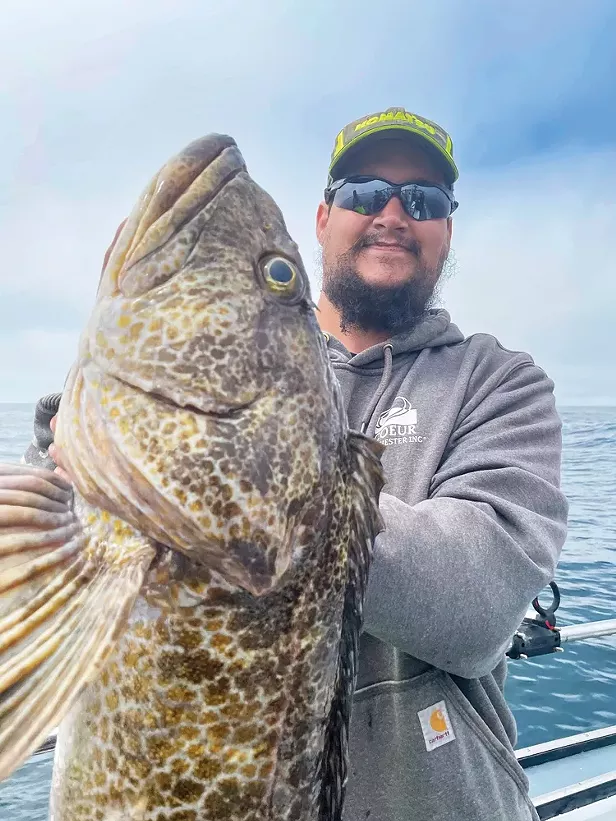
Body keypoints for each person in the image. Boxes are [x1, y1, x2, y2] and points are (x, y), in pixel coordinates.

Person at [23, 106, 568, 821]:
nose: (393, 214)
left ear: (447, 231)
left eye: (424, 200)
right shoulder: (161, 423)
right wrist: (70, 459)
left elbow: (478, 606)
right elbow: (39, 607)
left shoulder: (500, 384)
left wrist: (254, 489)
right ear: (323, 219)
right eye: (366, 192)